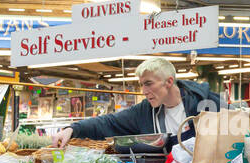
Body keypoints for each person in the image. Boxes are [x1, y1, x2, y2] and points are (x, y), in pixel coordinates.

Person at [51, 57, 220, 152]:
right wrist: (72, 129)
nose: (144, 91)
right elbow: (109, 122)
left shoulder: (206, 103)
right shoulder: (144, 111)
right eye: (141, 84)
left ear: (168, 82)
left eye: (148, 83)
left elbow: (239, 129)